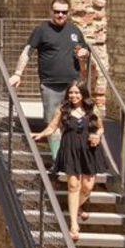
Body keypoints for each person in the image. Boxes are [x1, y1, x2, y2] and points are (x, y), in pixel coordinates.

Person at [7, 0, 89, 156]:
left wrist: (84, 54)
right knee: (53, 124)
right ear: (51, 11)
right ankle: (58, 159)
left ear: (69, 13)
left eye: (64, 12)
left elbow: (84, 51)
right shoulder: (41, 30)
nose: (60, 15)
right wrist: (18, 73)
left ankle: (74, 157)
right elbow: (27, 52)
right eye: (57, 11)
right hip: (50, 85)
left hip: (73, 86)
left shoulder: (75, 30)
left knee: (75, 122)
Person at [41, 81, 104, 239]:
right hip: (70, 149)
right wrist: (40, 134)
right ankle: (74, 225)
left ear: (83, 94)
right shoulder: (63, 109)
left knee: (87, 187)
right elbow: (52, 127)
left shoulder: (92, 109)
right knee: (73, 185)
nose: (73, 96)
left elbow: (100, 127)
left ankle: (76, 207)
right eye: (71, 93)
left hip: (89, 149)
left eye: (77, 93)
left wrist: (97, 135)